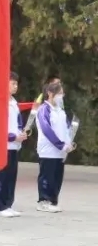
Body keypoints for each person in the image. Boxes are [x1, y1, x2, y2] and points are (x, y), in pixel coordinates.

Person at [36, 81, 72, 213]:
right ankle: (43, 201)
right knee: (47, 175)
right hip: (48, 151)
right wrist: (60, 144)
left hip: (61, 152)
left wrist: (69, 143)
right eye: (59, 93)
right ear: (50, 94)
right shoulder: (43, 110)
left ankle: (53, 200)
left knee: (57, 176)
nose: (61, 96)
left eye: (62, 94)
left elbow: (68, 128)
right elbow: (47, 130)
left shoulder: (61, 112)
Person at [0, 73, 24, 217]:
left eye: (16, 84)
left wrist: (21, 133)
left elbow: (18, 122)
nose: (15, 86)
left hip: (13, 146)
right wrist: (12, 136)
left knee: (11, 176)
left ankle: (8, 203)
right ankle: (0, 205)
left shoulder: (14, 102)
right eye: (12, 83)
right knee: (1, 176)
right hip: (2, 145)